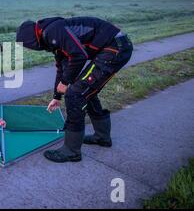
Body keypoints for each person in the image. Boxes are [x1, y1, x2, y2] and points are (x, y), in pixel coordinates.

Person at [16, 16, 133, 163]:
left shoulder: (52, 32)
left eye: (28, 46)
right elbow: (62, 68)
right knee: (85, 91)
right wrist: (56, 96)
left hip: (115, 48)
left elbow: (79, 56)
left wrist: (65, 83)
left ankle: (71, 151)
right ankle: (102, 137)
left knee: (75, 95)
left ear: (32, 40)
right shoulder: (52, 35)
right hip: (115, 46)